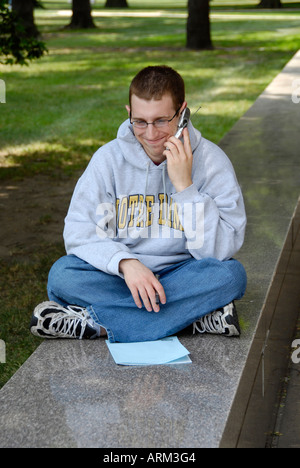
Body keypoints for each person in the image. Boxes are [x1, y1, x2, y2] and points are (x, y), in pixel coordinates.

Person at [30, 65, 247, 343]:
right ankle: (189, 320)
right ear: (128, 112)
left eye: (161, 120)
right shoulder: (108, 160)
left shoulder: (212, 162)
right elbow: (79, 231)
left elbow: (220, 249)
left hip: (183, 274)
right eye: (140, 121)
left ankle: (98, 326)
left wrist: (185, 188)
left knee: (230, 275)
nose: (150, 133)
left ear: (182, 113)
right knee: (62, 276)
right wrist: (126, 263)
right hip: (121, 280)